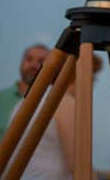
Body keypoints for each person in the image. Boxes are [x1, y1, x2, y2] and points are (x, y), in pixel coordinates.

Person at [8, 52, 104, 180]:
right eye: (93, 78)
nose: (93, 85)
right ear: (83, 76)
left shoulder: (28, 101)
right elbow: (79, 165)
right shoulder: (65, 102)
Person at [0, 43, 49, 180]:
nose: (34, 65)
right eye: (29, 59)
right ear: (21, 63)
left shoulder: (53, 108)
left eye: (41, 61)